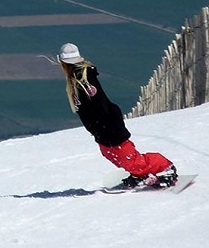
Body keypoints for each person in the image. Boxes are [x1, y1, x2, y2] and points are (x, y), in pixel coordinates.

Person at [57, 42, 178, 188]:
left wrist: (102, 126)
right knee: (111, 154)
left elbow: (99, 105)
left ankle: (164, 167)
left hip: (108, 125)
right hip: (100, 128)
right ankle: (141, 173)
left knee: (128, 157)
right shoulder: (76, 80)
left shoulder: (85, 79)